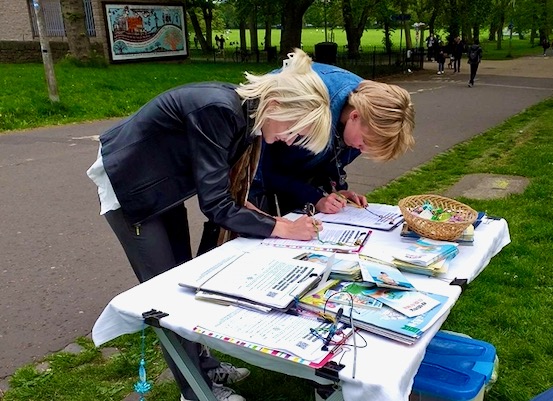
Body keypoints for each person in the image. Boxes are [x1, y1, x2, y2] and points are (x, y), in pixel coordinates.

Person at [86, 48, 331, 401]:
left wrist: (271, 220)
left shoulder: (248, 116)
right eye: (295, 130)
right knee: (166, 298)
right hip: (132, 191)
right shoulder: (220, 110)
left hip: (164, 187)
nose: (289, 140)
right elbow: (217, 206)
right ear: (276, 104)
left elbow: (228, 190)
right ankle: (195, 392)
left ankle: (205, 365)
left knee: (187, 281)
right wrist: (283, 228)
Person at [249, 63, 415, 217]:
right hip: (251, 178)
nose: (362, 150)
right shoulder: (311, 109)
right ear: (355, 116)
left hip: (285, 173)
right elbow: (261, 168)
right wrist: (315, 198)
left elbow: (332, 157)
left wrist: (334, 190)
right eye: (364, 143)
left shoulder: (368, 113)